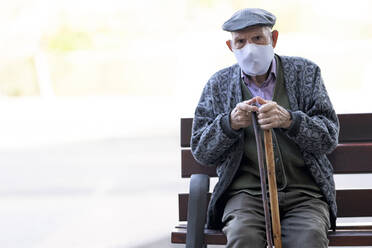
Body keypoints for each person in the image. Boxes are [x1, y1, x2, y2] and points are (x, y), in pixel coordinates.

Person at [190, 8, 339, 248]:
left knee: (309, 238)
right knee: (243, 237)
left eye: (258, 38)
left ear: (274, 39)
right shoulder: (218, 84)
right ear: (231, 47)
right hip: (245, 195)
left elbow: (328, 137)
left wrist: (291, 120)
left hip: (304, 195)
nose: (250, 47)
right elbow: (201, 150)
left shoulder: (306, 73)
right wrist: (229, 123)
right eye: (241, 41)